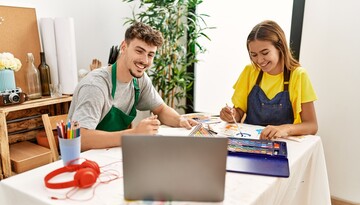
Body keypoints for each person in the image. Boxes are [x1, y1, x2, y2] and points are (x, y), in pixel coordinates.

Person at [68, 22, 197, 151]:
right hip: (84, 160)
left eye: (150, 55)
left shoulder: (139, 80)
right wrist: (134, 134)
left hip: (111, 153)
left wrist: (179, 120)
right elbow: (80, 139)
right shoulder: (96, 86)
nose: (145, 61)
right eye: (139, 51)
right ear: (124, 47)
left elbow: (161, 109)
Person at [220, 20, 318, 140]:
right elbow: (239, 113)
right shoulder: (250, 71)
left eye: (265, 53)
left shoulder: (298, 75)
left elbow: (312, 126)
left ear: (280, 47)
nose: (260, 60)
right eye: (254, 55)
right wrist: (232, 115)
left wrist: (284, 129)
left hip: (283, 144)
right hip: (251, 142)